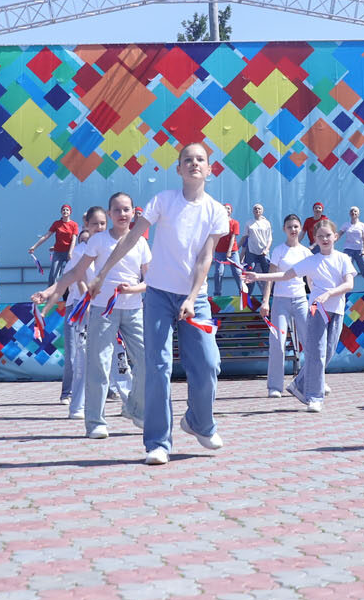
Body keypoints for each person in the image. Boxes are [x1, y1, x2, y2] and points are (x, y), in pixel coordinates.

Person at [92, 142, 229, 465]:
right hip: (157, 296)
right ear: (178, 168)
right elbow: (132, 237)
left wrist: (193, 297)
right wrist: (104, 271)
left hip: (195, 299)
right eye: (188, 160)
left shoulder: (215, 211)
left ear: (209, 169)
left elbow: (205, 258)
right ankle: (157, 442)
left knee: (208, 364)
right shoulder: (163, 202)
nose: (194, 164)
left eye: (201, 160)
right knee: (157, 367)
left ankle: (199, 421)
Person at [36, 193, 151, 439]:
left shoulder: (140, 242)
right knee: (98, 363)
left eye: (126, 209)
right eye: (117, 210)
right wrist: (51, 291)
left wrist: (135, 289)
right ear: (110, 214)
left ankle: (135, 407)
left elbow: (150, 280)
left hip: (133, 309)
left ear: (133, 213)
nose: (122, 214)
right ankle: (96, 422)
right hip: (102, 310)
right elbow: (77, 271)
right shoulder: (98, 241)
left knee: (145, 362)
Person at [246, 219, 356, 412]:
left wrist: (330, 293)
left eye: (328, 235)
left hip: (336, 309)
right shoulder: (311, 261)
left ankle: (299, 384)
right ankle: (314, 396)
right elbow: (284, 275)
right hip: (316, 310)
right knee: (317, 353)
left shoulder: (343, 259)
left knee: (328, 352)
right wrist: (259, 277)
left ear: (336, 237)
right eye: (319, 236)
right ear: (314, 238)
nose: (324, 239)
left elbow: (349, 285)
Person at [32, 205, 107, 420]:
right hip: (79, 308)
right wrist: (45, 303)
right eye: (94, 225)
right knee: (77, 357)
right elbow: (66, 283)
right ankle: (73, 399)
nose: (99, 228)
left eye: (102, 224)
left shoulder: (112, 249)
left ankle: (124, 398)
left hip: (106, 308)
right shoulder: (80, 254)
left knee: (108, 357)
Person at [261, 214, 311, 399]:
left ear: (300, 229)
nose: (293, 230)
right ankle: (274, 386)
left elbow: (311, 280)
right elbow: (270, 277)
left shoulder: (306, 252)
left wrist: (314, 300)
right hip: (280, 301)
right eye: (290, 226)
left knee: (310, 343)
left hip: (300, 301)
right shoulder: (278, 250)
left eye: (296, 226)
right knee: (278, 344)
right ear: (284, 229)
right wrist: (266, 301)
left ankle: (312, 381)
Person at [28, 204, 81, 286]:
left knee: (71, 273)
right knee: (53, 274)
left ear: (70, 212)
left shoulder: (74, 224)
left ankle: (70, 295)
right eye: (63, 210)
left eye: (67, 210)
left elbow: (74, 239)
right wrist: (34, 246)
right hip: (58, 252)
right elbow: (46, 236)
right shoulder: (57, 223)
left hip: (69, 253)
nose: (65, 211)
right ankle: (50, 296)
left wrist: (70, 252)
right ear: (61, 212)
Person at [338, 206, 364, 293]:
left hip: (359, 251)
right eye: (352, 211)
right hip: (348, 250)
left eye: (355, 211)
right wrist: (331, 240)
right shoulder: (346, 224)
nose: (353, 213)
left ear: (358, 214)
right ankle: (343, 292)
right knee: (346, 270)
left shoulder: (362, 225)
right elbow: (339, 234)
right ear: (349, 213)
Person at [210, 203, 243, 298]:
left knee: (237, 272)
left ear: (231, 211)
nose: (226, 210)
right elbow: (215, 236)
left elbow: (233, 237)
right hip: (219, 251)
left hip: (232, 251)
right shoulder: (217, 222)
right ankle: (217, 294)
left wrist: (229, 251)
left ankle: (242, 292)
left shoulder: (234, 223)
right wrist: (212, 251)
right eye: (224, 208)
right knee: (218, 272)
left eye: (228, 209)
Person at [242, 203, 273, 301]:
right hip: (251, 252)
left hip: (263, 252)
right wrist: (238, 250)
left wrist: (266, 249)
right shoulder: (249, 223)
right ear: (253, 211)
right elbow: (245, 237)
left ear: (262, 211)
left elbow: (269, 239)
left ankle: (268, 295)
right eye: (255, 209)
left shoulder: (266, 223)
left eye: (259, 209)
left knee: (266, 273)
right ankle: (247, 296)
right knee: (249, 272)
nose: (257, 210)